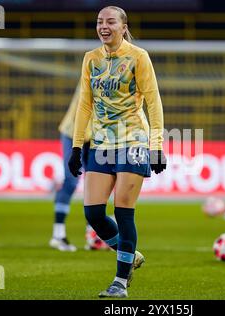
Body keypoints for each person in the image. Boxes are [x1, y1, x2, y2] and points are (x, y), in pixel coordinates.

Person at [68, 6, 166, 298]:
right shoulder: (91, 59)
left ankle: (120, 283)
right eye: (100, 22)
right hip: (101, 142)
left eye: (111, 21)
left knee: (123, 209)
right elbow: (85, 104)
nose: (104, 26)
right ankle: (131, 255)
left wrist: (156, 146)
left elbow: (153, 100)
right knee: (94, 213)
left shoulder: (138, 56)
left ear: (124, 27)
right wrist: (76, 146)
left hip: (133, 140)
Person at [49, 84, 108, 251]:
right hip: (73, 134)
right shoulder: (91, 75)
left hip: (94, 138)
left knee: (95, 185)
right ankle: (58, 235)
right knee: (71, 181)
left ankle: (92, 233)